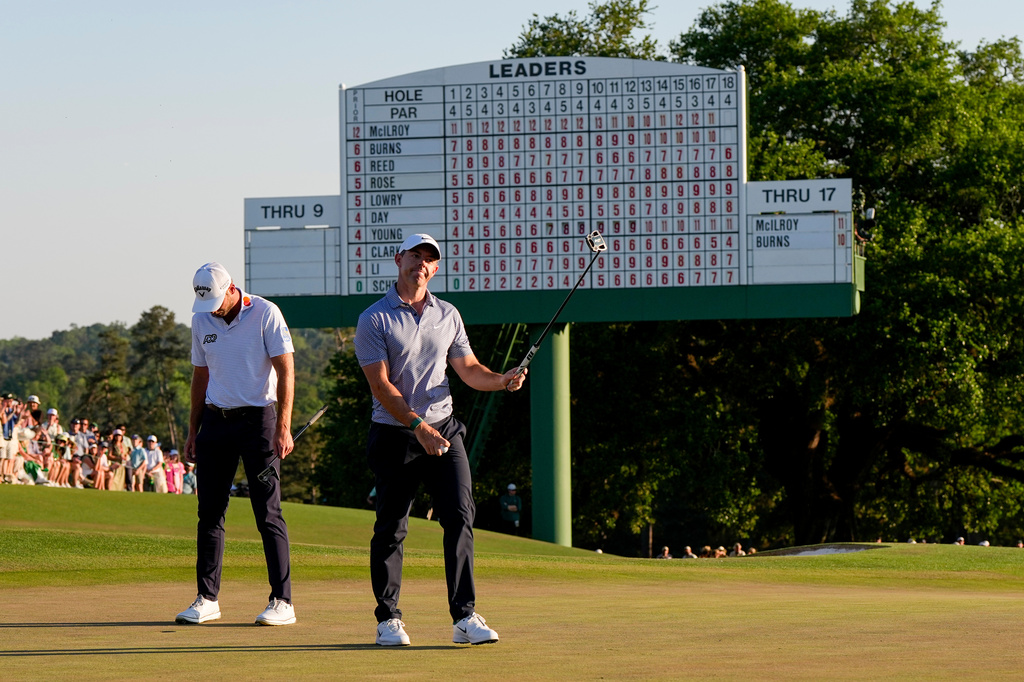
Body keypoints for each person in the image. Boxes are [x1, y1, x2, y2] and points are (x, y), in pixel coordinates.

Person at [354, 233, 527, 646]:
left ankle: (464, 618)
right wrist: (418, 427)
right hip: (397, 434)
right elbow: (381, 387)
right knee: (392, 527)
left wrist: (502, 381)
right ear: (399, 259)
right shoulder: (374, 318)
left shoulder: (447, 314)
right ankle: (387, 619)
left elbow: (468, 369)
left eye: (430, 259)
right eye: (415, 256)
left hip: (445, 430)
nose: (422, 264)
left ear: (435, 268)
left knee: (460, 518)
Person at [176, 261, 297, 628]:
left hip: (259, 421)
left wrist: (285, 426)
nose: (212, 309)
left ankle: (282, 600)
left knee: (267, 513)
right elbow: (201, 374)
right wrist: (192, 428)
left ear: (232, 289)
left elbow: (285, 369)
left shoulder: (265, 313)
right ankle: (207, 598)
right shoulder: (202, 320)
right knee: (209, 512)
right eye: (205, 304)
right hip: (215, 421)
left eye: (216, 301)